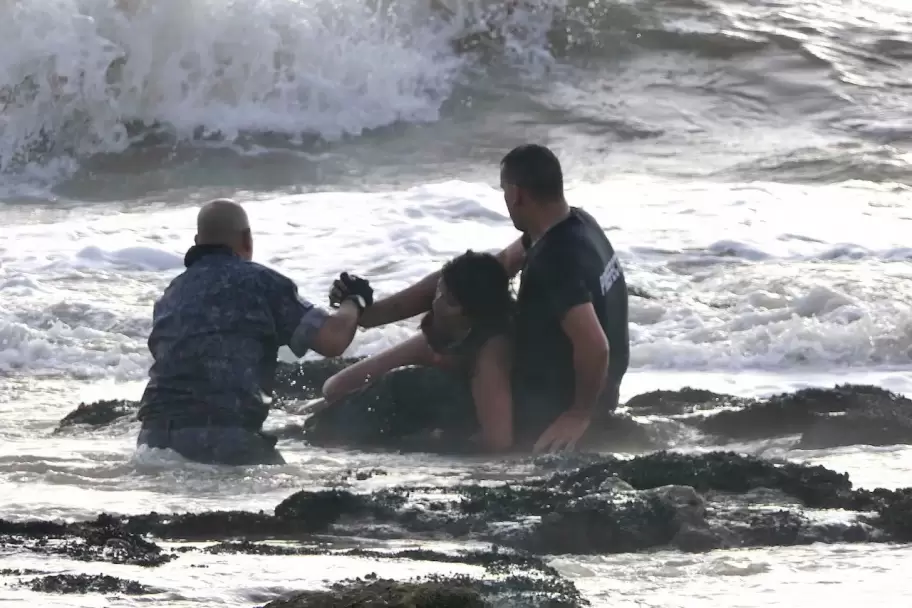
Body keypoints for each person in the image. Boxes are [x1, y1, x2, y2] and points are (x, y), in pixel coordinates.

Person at [332, 144, 629, 453]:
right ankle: (338, 394)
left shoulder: (554, 261)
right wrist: (371, 314)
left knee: (403, 385)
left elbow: (595, 346)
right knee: (449, 328)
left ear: (516, 194)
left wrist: (578, 414)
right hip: (598, 393)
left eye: (504, 193)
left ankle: (328, 422)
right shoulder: (575, 224)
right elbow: (490, 269)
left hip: (547, 406)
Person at [135, 199, 374, 466]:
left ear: (197, 241)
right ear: (247, 239)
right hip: (222, 437)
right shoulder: (261, 282)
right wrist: (354, 301)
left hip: (151, 439)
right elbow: (333, 340)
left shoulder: (171, 294)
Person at [319, 250, 514, 452]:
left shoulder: (490, 354)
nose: (435, 302)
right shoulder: (446, 331)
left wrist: (431, 442)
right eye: (438, 292)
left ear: (466, 313)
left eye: (446, 298)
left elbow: (499, 441)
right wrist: (354, 299)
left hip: (461, 402)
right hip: (448, 355)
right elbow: (337, 388)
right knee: (334, 390)